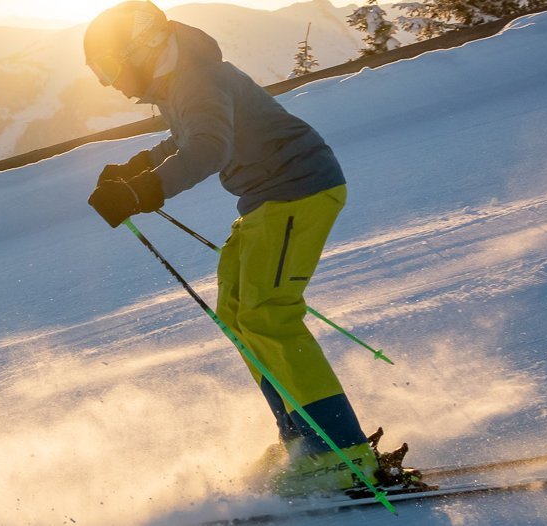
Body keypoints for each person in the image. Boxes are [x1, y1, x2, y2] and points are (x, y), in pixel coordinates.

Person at [80, 1, 394, 496]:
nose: (109, 82)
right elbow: (186, 136)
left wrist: (141, 191)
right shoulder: (180, 80)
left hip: (298, 189)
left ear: (141, 47)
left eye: (108, 67)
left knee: (268, 314)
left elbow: (209, 148)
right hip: (268, 199)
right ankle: (303, 437)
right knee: (238, 314)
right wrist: (136, 167)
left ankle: (339, 452)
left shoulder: (195, 78)